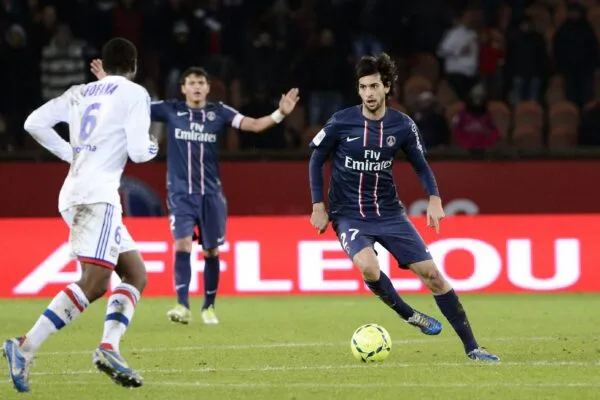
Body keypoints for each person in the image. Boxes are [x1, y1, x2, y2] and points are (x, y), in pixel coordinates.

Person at [308, 53, 499, 361]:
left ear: (386, 87)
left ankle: (473, 348)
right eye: (363, 87)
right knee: (368, 267)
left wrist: (434, 198)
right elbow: (316, 158)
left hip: (389, 214)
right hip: (349, 214)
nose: (369, 93)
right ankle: (409, 314)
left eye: (374, 86)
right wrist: (318, 205)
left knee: (433, 276)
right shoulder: (341, 121)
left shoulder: (402, 125)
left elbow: (420, 165)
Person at [91, 62, 299, 325]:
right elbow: (133, 105)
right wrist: (108, 83)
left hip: (211, 195)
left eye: (201, 83)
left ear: (208, 88)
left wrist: (280, 113)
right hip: (180, 195)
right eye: (192, 83)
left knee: (211, 251)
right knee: (183, 244)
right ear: (183, 88)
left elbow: (255, 125)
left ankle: (209, 306)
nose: (197, 87)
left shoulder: (219, 112)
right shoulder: (171, 109)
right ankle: (182, 305)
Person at [4, 38, 157, 393]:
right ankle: (24, 346)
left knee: (135, 273)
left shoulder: (80, 92)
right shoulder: (135, 93)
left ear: (105, 62)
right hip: (96, 196)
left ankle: (109, 347)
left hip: (79, 191)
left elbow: (33, 123)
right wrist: (153, 145)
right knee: (96, 282)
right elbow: (139, 151)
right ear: (134, 65)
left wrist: (71, 154)